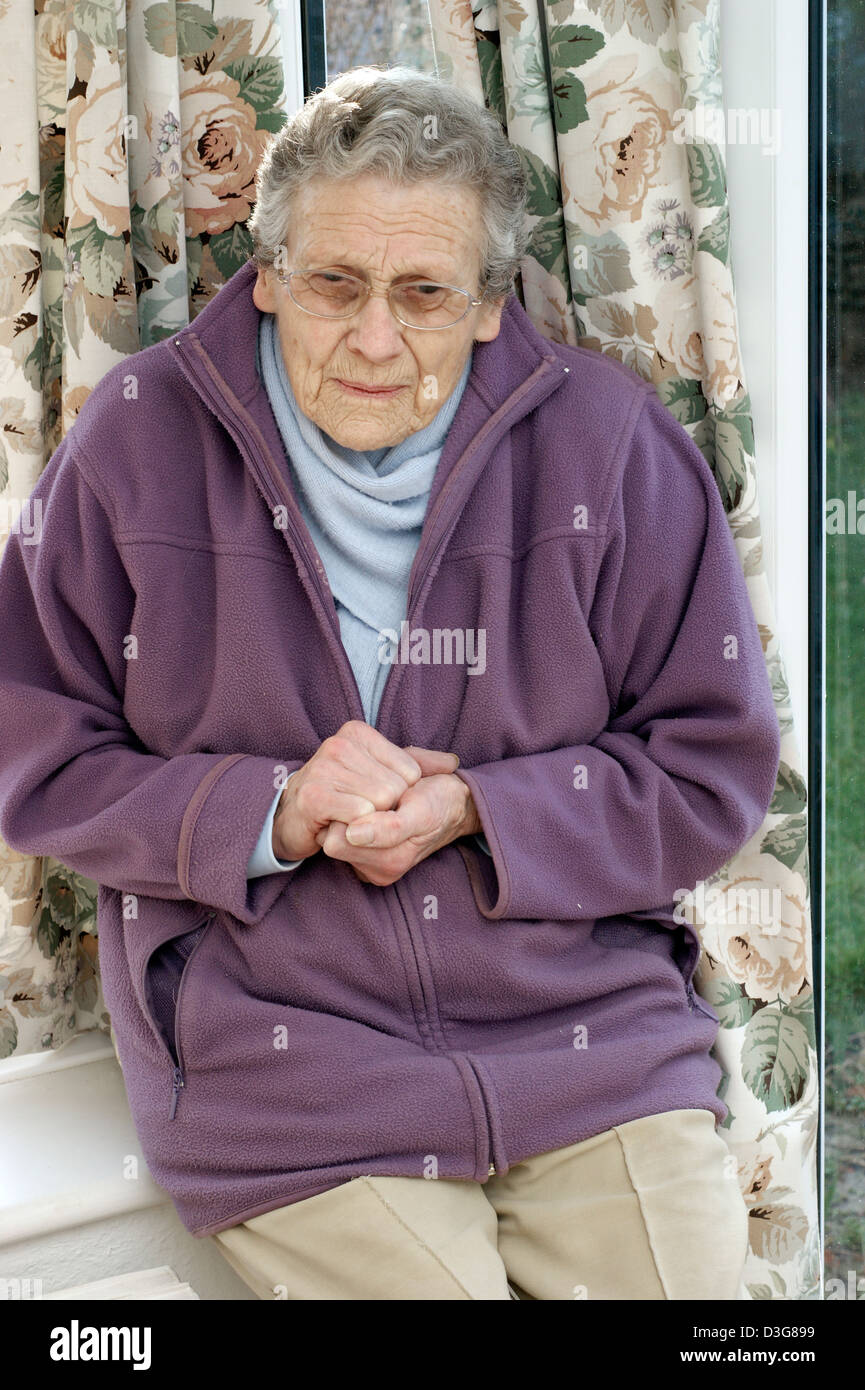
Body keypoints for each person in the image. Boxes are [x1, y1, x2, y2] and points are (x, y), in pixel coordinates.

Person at [0, 65, 779, 1300]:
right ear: (264, 272)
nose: (373, 338)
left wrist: (484, 810)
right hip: (287, 1063)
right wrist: (270, 812)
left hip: (587, 1041)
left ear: (485, 303)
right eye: (333, 284)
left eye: (422, 292)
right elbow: (31, 752)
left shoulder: (614, 446)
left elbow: (707, 767)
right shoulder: (134, 443)